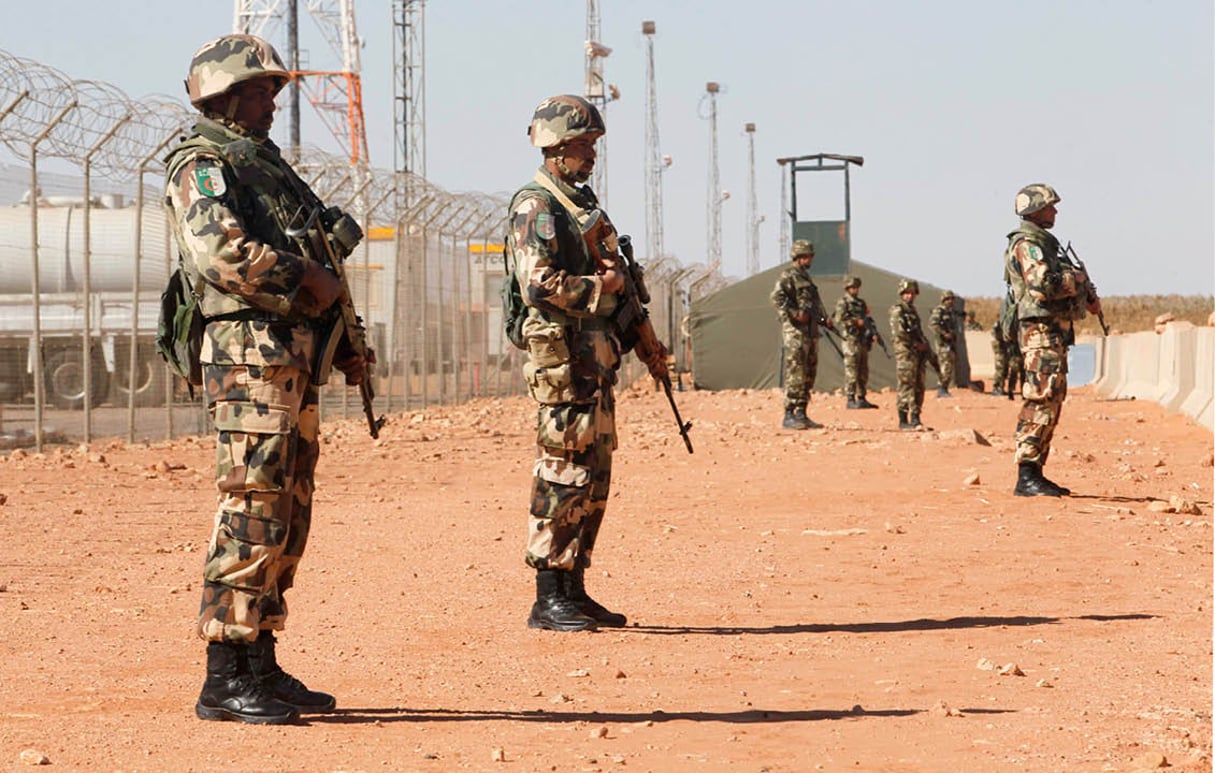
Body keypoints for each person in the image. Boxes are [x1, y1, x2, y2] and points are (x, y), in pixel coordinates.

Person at [165, 34, 367, 724]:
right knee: (253, 504)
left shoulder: (267, 168)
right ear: (221, 94)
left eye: (275, 90)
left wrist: (344, 340)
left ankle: (260, 658)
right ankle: (224, 672)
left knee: (288, 507)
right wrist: (300, 278)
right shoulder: (205, 164)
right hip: (250, 358)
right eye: (260, 90)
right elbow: (221, 253)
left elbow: (323, 262)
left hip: (289, 356)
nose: (273, 103)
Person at [509, 95, 665, 632]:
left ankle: (573, 586)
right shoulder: (537, 206)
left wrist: (644, 339)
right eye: (583, 145)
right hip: (563, 365)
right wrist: (606, 285)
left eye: (593, 145)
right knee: (562, 472)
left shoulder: (581, 206)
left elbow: (620, 291)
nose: (591, 155)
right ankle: (548, 593)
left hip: (592, 363)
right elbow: (540, 285)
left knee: (593, 477)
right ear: (554, 147)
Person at [1004, 183, 1101, 496]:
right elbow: (1042, 283)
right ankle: (1026, 473)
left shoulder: (1045, 244)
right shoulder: (1028, 244)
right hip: (1040, 332)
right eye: (1050, 206)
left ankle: (1035, 472)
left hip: (1052, 331)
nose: (1055, 211)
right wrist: (1078, 279)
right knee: (1041, 396)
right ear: (1034, 210)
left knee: (1053, 397)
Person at [770, 240, 835, 429]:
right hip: (796, 333)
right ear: (798, 257)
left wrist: (824, 320)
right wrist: (794, 314)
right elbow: (777, 298)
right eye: (807, 256)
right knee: (796, 373)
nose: (810, 259)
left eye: (811, 256)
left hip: (811, 333)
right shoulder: (788, 276)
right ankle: (789, 414)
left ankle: (802, 412)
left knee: (808, 373)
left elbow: (814, 305)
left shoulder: (806, 278)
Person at [890, 279, 930, 430]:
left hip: (917, 354)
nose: (909, 296)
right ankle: (903, 420)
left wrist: (925, 347)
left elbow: (918, 332)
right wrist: (915, 345)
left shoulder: (913, 311)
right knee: (906, 385)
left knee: (919, 385)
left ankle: (915, 418)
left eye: (912, 293)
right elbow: (899, 334)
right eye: (906, 293)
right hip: (905, 353)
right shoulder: (898, 310)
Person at [833, 275, 878, 409]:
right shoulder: (843, 302)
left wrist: (873, 333)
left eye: (856, 287)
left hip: (862, 339)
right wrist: (854, 322)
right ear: (847, 288)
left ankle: (862, 397)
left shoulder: (861, 303)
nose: (855, 290)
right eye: (852, 287)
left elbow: (869, 319)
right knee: (851, 369)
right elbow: (839, 319)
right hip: (850, 340)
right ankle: (850, 398)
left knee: (863, 369)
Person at [929, 290, 961, 397]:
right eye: (948, 299)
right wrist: (944, 333)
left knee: (949, 366)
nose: (950, 301)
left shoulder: (951, 312)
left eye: (951, 299)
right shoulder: (939, 311)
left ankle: (944, 388)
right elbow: (933, 324)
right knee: (945, 365)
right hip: (942, 343)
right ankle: (941, 389)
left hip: (950, 343)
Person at [990, 320, 1022, 397]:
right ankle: (997, 388)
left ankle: (1003, 387)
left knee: (1007, 368)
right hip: (1000, 348)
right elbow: (996, 335)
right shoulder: (999, 324)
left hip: (1006, 347)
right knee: (1000, 368)